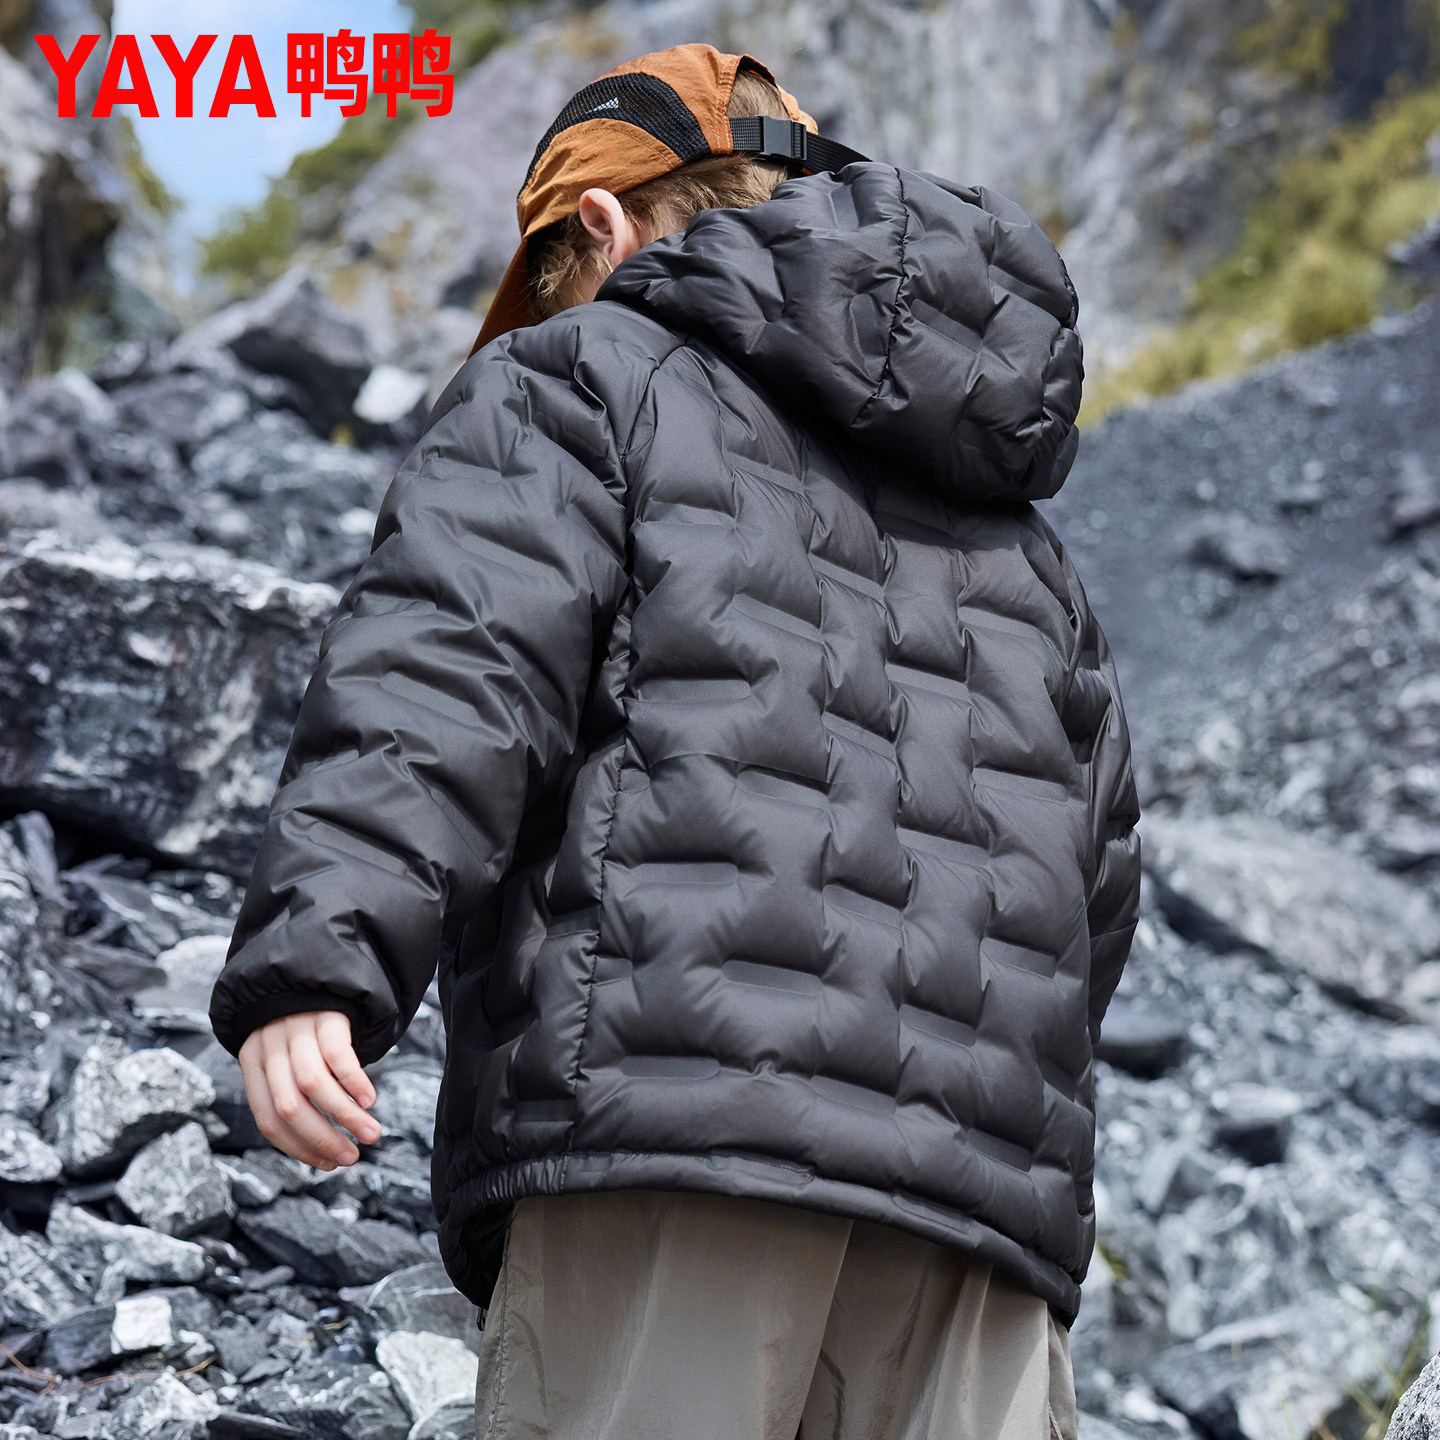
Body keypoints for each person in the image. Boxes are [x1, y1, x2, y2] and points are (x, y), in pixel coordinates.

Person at [209, 42, 1140, 1440]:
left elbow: (453, 666)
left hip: (670, 1136)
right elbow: (1096, 887)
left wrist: (318, 956)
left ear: (602, 225)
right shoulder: (1026, 543)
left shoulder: (580, 376)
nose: (548, 314)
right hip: (980, 1225)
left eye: (548, 279)